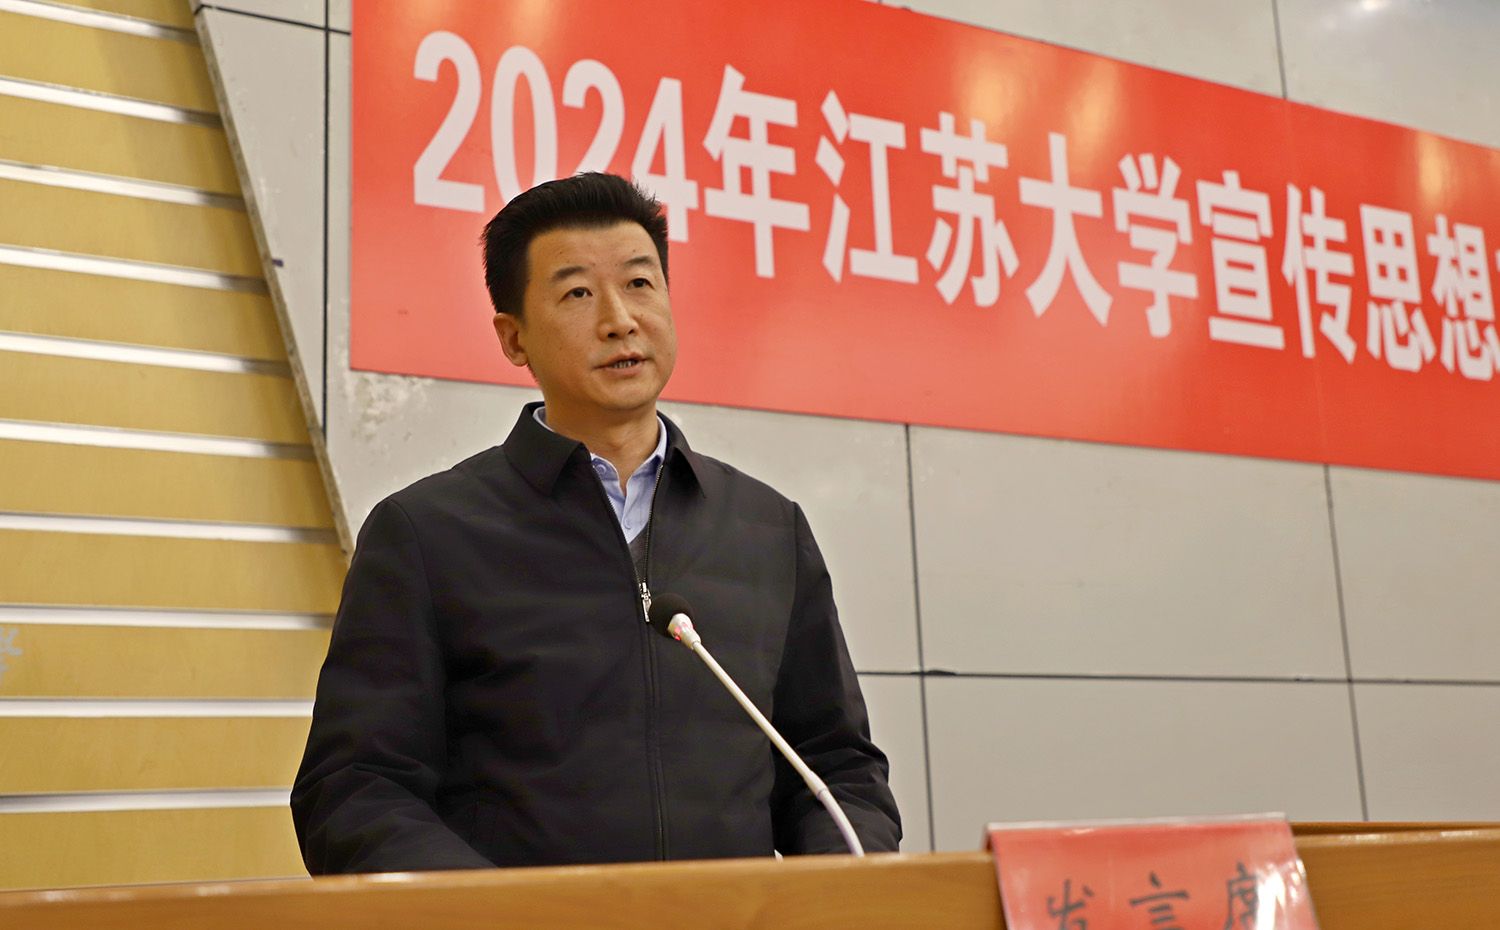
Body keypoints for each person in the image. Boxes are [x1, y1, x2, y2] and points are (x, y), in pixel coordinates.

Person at [291, 172, 900, 873]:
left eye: (640, 284)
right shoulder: (427, 534)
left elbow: (835, 767)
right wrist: (504, 915)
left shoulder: (766, 530)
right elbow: (355, 791)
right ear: (513, 337)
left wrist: (837, 892)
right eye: (578, 293)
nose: (619, 320)